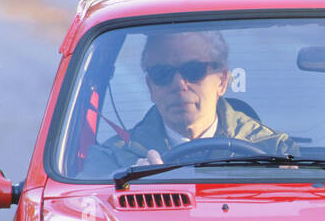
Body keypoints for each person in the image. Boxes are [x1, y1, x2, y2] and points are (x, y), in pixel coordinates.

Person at [84, 29, 293, 174]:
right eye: (162, 73)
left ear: (222, 80)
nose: (179, 84)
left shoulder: (274, 151)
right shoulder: (112, 161)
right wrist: (132, 186)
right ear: (151, 87)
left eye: (194, 70)